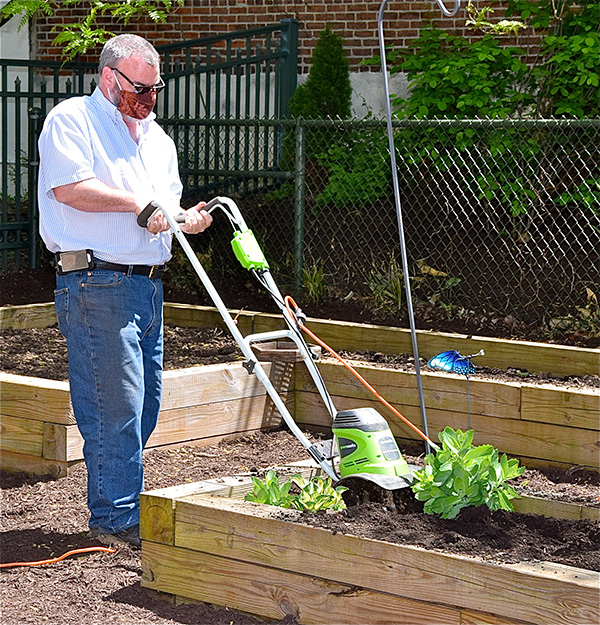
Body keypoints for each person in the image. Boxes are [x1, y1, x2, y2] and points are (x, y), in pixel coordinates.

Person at [37, 34, 213, 547]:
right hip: (96, 280)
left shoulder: (158, 140)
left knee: (146, 405)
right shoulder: (72, 120)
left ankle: (119, 505)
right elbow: (71, 189)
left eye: (156, 89)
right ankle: (115, 519)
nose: (149, 100)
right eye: (140, 88)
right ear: (109, 76)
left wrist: (186, 220)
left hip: (148, 286)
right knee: (116, 408)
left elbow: (164, 210)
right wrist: (139, 206)